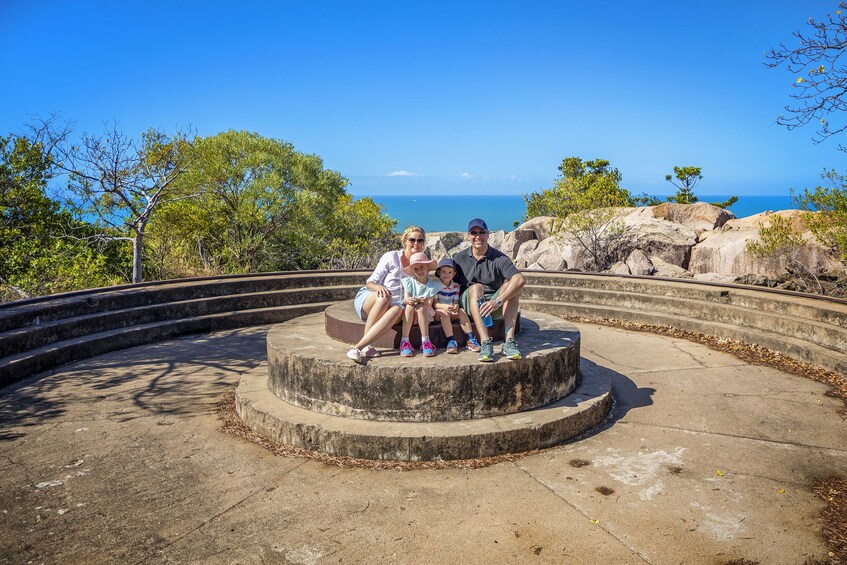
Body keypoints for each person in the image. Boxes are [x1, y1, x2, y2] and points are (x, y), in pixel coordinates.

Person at [347, 225, 427, 364]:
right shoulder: (392, 257)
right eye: (412, 239)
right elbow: (370, 282)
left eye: (420, 240)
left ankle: (358, 348)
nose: (416, 243)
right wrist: (379, 287)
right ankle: (366, 346)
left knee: (398, 309)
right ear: (405, 241)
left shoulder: (421, 263)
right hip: (373, 300)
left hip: (396, 306)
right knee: (385, 297)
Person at [453, 218, 526, 362]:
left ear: (488, 235)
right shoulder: (459, 258)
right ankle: (486, 342)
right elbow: (447, 282)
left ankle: (509, 341)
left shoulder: (499, 258)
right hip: (470, 304)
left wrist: (497, 302)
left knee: (512, 287)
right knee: (476, 288)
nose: (478, 236)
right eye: (474, 233)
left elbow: (520, 280)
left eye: (482, 232)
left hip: (493, 305)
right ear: (468, 236)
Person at [432, 257, 481, 354]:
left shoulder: (456, 286)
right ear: (439, 273)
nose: (446, 274)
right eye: (444, 272)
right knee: (444, 313)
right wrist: (444, 307)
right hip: (439, 313)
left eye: (450, 272)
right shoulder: (435, 286)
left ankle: (470, 338)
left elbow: (456, 301)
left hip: (451, 312)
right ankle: (451, 341)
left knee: (462, 311)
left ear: (454, 274)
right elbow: (434, 304)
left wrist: (456, 306)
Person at [399, 252, 440, 357]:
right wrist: (409, 300)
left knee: (421, 307)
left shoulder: (433, 285)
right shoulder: (409, 282)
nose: (419, 271)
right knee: (409, 306)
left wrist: (423, 301)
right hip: (411, 314)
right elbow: (405, 299)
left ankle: (426, 341)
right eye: (416, 269)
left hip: (425, 314)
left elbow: (429, 303)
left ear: (427, 267)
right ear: (412, 270)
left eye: (421, 267)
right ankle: (404, 341)